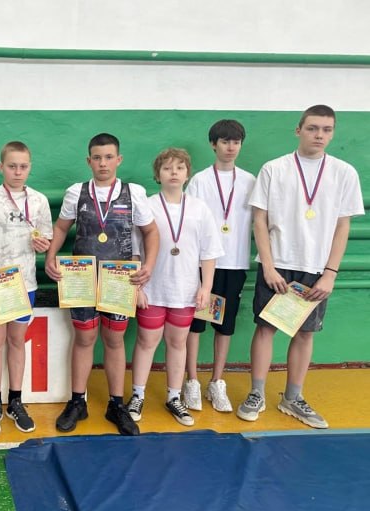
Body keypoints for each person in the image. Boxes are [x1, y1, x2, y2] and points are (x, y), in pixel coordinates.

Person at [237, 105, 364, 429]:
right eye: (312, 128)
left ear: (332, 133)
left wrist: (330, 273)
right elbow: (260, 220)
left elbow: (343, 226)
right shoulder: (274, 169)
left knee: (305, 333)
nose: (319, 135)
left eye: (326, 129)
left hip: (316, 268)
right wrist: (268, 266)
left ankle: (292, 397)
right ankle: (256, 393)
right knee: (265, 328)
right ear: (298, 130)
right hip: (278, 264)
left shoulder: (344, 173)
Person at [44, 133, 159, 436]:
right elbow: (61, 227)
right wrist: (50, 257)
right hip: (81, 277)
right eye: (97, 158)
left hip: (119, 278)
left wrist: (148, 266)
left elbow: (151, 232)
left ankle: (116, 404)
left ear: (118, 159)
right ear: (89, 161)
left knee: (114, 340)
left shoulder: (133, 193)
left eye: (109, 157)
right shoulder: (76, 192)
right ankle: (77, 402)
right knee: (84, 338)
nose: (103, 163)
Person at [128, 148, 223, 426]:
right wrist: (137, 288)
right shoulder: (147, 206)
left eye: (180, 168)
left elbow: (209, 253)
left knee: (178, 342)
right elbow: (135, 250)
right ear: (157, 175)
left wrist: (206, 287)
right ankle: (137, 395)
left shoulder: (199, 208)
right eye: (167, 168)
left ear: (187, 174)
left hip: (185, 290)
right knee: (146, 341)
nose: (173, 173)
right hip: (153, 289)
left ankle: (174, 397)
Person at [0, 141, 53, 436]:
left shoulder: (40, 200)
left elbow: (45, 239)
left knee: (17, 341)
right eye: (12, 166)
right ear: (1, 167)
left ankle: (15, 401)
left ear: (30, 167)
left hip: (24, 283)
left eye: (23, 166)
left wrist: (42, 245)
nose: (18, 172)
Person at [183, 120, 255, 412]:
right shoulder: (200, 181)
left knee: (225, 326)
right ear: (213, 144)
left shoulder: (250, 181)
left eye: (235, 142)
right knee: (197, 324)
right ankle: (191, 381)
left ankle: (216, 381)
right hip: (203, 264)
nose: (230, 147)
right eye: (225, 141)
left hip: (235, 263)